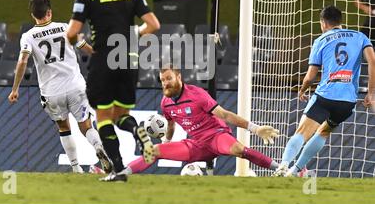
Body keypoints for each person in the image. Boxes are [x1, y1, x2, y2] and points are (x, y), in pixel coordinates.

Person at [66, 0, 161, 182]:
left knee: (104, 118)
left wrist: (84, 46)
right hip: (128, 58)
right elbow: (153, 25)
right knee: (121, 115)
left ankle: (118, 169)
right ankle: (136, 130)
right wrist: (134, 36)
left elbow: (72, 32)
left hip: (103, 59)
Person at [115, 64, 280, 179]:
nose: (165, 83)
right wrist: (166, 142)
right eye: (162, 80)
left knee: (238, 149)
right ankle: (121, 174)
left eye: (168, 78)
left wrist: (255, 129)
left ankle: (280, 169)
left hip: (217, 136)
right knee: (155, 150)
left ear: (179, 77)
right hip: (197, 144)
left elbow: (225, 115)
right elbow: (170, 125)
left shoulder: (197, 94)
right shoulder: (165, 103)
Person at [8, 0, 113, 174]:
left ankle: (75, 167)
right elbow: (86, 47)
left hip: (52, 92)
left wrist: (15, 89)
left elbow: (22, 62)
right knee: (86, 125)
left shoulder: (28, 36)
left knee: (64, 127)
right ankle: (98, 147)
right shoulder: (65, 28)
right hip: (76, 86)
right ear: (49, 12)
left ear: (33, 15)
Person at [273, 5, 375, 177]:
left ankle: (283, 165)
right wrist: (371, 92)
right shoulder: (360, 37)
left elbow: (310, 76)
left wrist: (303, 89)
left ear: (323, 23)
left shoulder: (321, 40)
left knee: (302, 133)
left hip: (325, 95)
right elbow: (372, 62)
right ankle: (295, 171)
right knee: (324, 132)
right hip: (347, 101)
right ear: (340, 21)